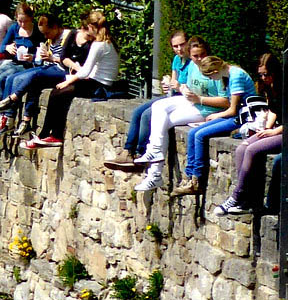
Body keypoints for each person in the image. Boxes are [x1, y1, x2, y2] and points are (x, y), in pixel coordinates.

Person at [133, 53, 232, 193]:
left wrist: (199, 99)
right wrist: (181, 88)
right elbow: (188, 89)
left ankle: (155, 173)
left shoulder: (216, 71)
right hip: (193, 103)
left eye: (200, 55)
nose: (197, 59)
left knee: (164, 122)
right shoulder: (192, 65)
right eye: (194, 56)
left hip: (206, 110)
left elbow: (226, 101)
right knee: (157, 108)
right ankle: (154, 156)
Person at [24, 9, 120, 149]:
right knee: (58, 92)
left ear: (91, 28)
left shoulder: (98, 45)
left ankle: (52, 135)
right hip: (99, 81)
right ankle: (46, 135)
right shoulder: (108, 42)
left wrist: (67, 81)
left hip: (99, 85)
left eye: (87, 29)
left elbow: (85, 71)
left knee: (59, 92)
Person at [104, 30, 195, 170]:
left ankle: (141, 154)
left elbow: (191, 88)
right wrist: (168, 84)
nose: (179, 49)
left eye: (182, 45)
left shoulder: (193, 62)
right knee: (137, 112)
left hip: (184, 100)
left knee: (147, 115)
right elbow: (173, 81)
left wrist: (178, 87)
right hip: (173, 96)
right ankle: (128, 151)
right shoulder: (177, 60)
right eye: (175, 46)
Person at [0, 13, 81, 137]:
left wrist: (51, 58)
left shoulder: (69, 36)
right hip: (50, 66)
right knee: (13, 78)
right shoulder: (50, 39)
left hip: (62, 71)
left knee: (35, 75)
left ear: (55, 27)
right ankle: (17, 119)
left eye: (47, 33)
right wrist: (37, 57)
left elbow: (67, 60)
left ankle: (11, 102)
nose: (45, 36)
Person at [170, 55, 257, 197]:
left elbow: (233, 109)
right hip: (235, 115)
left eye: (209, 77)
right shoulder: (228, 74)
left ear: (214, 72)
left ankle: (196, 180)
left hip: (243, 118)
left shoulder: (236, 76)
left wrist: (215, 116)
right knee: (192, 133)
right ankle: (190, 177)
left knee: (200, 135)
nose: (211, 80)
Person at [214, 53, 283, 216]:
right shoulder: (269, 87)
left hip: (283, 132)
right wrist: (266, 127)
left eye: (267, 74)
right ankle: (247, 201)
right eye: (261, 74)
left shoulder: (283, 86)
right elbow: (274, 110)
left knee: (253, 150)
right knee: (242, 149)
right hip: (275, 128)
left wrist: (273, 131)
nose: (264, 78)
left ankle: (237, 197)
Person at [0, 2, 41, 126]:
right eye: (20, 21)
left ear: (31, 19)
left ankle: (1, 116)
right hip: (13, 61)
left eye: (25, 21)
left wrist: (32, 57)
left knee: (3, 78)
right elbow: (2, 47)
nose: (22, 24)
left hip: (26, 65)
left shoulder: (37, 33)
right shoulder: (14, 28)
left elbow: (41, 54)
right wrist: (7, 48)